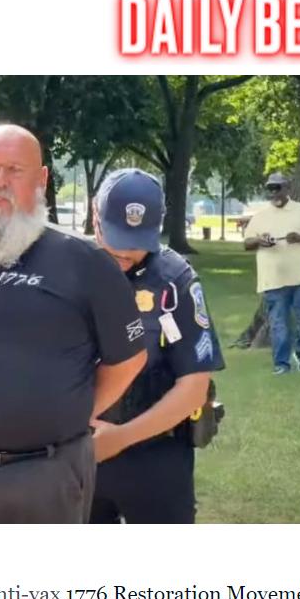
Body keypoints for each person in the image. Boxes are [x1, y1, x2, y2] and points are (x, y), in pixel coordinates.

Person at [0, 124, 147, 524]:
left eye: (14, 170)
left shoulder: (84, 261)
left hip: (39, 480)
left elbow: (128, 358)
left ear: (41, 179)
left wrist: (72, 411)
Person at [89, 169, 225, 525]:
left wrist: (120, 438)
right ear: (94, 216)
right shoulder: (72, 270)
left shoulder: (176, 281)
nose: (124, 251)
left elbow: (194, 386)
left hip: (157, 456)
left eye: (136, 241)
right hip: (80, 455)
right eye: (116, 236)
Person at [244, 173, 300, 374]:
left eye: (278, 188)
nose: (274, 193)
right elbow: (247, 243)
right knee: (279, 324)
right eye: (270, 189)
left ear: (287, 188)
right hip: (273, 280)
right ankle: (281, 365)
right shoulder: (261, 216)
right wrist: (260, 240)